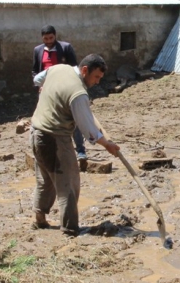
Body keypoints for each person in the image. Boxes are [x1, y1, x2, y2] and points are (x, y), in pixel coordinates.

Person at [30, 54, 119, 236]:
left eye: (100, 78)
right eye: (96, 77)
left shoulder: (58, 68)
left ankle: (39, 219)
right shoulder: (78, 94)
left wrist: (45, 88)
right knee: (69, 184)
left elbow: (37, 79)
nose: (97, 82)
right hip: (55, 139)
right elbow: (88, 129)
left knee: (45, 179)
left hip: (36, 132)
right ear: (85, 70)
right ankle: (70, 229)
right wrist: (107, 144)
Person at [32, 25, 87, 164]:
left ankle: (80, 150)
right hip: (45, 90)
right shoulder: (38, 50)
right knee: (46, 119)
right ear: (42, 38)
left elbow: (74, 68)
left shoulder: (65, 48)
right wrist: (40, 85)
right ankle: (53, 151)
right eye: (46, 39)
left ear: (55, 36)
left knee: (72, 118)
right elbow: (35, 71)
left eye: (51, 38)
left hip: (64, 89)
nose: (49, 41)